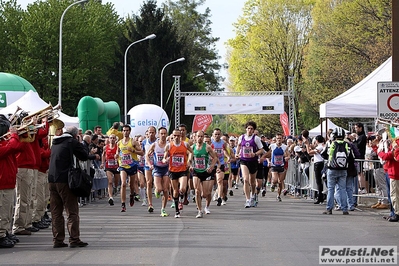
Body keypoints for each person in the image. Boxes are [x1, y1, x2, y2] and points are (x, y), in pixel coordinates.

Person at [48, 126, 98, 248]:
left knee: (56, 211)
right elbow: (83, 155)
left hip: (52, 179)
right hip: (65, 179)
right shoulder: (71, 142)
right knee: (72, 211)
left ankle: (58, 239)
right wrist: (80, 142)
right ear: (75, 135)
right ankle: (74, 239)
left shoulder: (55, 141)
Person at [0, 121, 23, 248]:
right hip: (2, 182)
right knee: (2, 211)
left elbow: (19, 147)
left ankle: (5, 231)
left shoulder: (3, 141)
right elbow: (12, 147)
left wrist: (15, 136)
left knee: (7, 210)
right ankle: (1, 235)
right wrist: (14, 135)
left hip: (8, 181)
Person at [162, 129, 193, 218]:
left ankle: (181, 198)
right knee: (175, 191)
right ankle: (177, 211)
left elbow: (191, 152)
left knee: (183, 188)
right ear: (172, 136)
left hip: (183, 170)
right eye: (174, 136)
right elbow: (164, 158)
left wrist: (189, 160)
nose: (176, 137)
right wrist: (165, 160)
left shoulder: (185, 144)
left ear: (181, 136)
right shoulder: (169, 146)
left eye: (178, 136)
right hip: (173, 171)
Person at [235, 121, 264, 208]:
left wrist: (255, 154)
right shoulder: (241, 137)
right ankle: (247, 200)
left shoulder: (256, 138)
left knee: (252, 182)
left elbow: (261, 150)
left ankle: (253, 195)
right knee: (246, 179)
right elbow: (239, 146)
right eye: (248, 128)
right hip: (244, 160)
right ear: (246, 129)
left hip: (253, 161)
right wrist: (237, 153)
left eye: (251, 129)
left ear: (254, 130)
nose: (250, 130)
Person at [323, 127, 351, 215]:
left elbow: (327, 154)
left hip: (332, 169)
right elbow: (349, 155)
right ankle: (345, 209)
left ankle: (329, 208)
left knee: (331, 189)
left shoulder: (333, 144)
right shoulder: (347, 144)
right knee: (342, 189)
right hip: (343, 169)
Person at [116, 125, 143, 212]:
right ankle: (123, 204)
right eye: (124, 130)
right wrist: (116, 156)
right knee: (123, 183)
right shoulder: (119, 143)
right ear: (122, 131)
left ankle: (132, 195)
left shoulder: (134, 142)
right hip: (123, 166)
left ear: (130, 131)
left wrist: (133, 151)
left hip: (132, 165)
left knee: (131, 185)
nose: (125, 132)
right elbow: (117, 153)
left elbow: (142, 153)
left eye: (127, 130)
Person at [191, 130, 219, 217]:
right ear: (195, 137)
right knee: (197, 191)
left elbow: (214, 158)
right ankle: (200, 210)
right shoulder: (192, 147)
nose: (200, 138)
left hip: (205, 172)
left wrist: (211, 167)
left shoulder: (207, 147)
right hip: (196, 171)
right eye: (198, 136)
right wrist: (190, 166)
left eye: (201, 136)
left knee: (205, 194)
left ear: (203, 137)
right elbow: (188, 159)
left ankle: (207, 206)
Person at [146, 127, 170, 217]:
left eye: (165, 134)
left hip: (166, 168)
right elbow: (147, 156)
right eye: (161, 134)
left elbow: (172, 156)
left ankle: (163, 209)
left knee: (165, 189)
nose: (163, 135)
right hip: (157, 168)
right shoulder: (155, 145)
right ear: (158, 135)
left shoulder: (169, 145)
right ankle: (156, 190)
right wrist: (149, 164)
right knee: (159, 189)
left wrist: (167, 159)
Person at [266, 133, 290, 202]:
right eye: (277, 138)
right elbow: (267, 154)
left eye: (280, 138)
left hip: (281, 165)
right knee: (275, 180)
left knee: (280, 182)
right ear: (276, 139)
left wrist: (287, 158)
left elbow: (288, 155)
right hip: (274, 165)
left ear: (282, 139)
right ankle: (273, 184)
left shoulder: (285, 147)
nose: (279, 140)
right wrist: (268, 161)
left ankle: (278, 196)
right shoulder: (272, 146)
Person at [211, 128, 230, 206]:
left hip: (221, 164)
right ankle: (214, 192)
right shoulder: (211, 143)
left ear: (221, 135)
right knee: (213, 182)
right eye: (215, 134)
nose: (217, 136)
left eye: (218, 134)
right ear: (213, 135)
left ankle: (219, 197)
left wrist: (228, 157)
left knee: (220, 180)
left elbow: (224, 150)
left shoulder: (223, 143)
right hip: (212, 164)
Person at [101, 134, 120, 206]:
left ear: (115, 139)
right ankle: (110, 197)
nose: (112, 139)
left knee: (116, 181)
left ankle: (115, 188)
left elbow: (121, 154)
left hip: (116, 166)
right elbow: (103, 155)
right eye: (111, 138)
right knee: (110, 181)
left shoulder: (118, 147)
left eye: (113, 138)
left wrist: (118, 156)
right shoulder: (106, 147)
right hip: (108, 166)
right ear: (109, 139)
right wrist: (103, 163)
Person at [142, 126, 157, 213]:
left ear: (155, 133)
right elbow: (143, 152)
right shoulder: (144, 142)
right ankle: (150, 204)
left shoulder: (158, 142)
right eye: (149, 132)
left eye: (152, 132)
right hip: (147, 165)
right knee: (148, 183)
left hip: (157, 165)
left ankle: (157, 190)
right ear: (147, 133)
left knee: (155, 183)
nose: (151, 134)